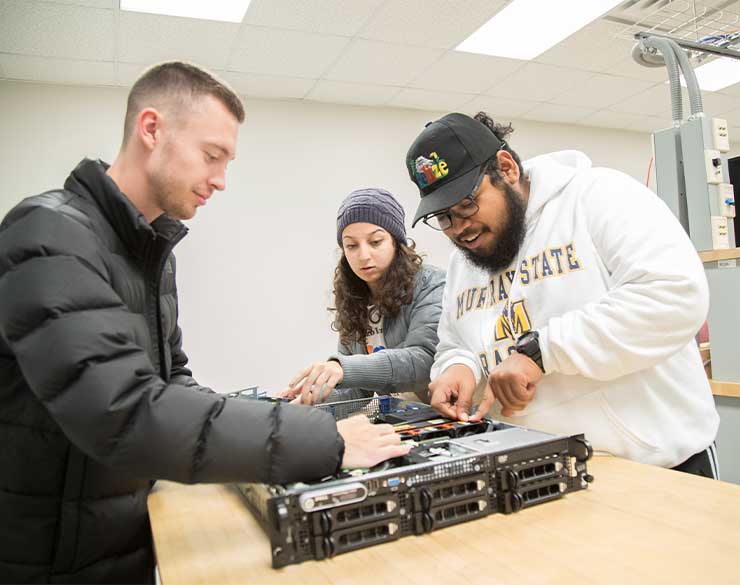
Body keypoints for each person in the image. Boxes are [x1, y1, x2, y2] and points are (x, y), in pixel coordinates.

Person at [0, 62, 409, 584]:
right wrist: (323, 439)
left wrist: (266, 411)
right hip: (48, 559)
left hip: (121, 541)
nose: (220, 180)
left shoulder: (151, 252)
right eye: (211, 156)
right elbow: (124, 412)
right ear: (152, 129)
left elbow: (172, 383)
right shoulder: (50, 235)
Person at [404, 111, 720, 478]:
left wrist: (541, 351)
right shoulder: (466, 260)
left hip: (656, 466)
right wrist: (459, 367)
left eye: (466, 205)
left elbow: (674, 295)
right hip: (544, 474)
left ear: (506, 169)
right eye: (443, 218)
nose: (459, 229)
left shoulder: (600, 196)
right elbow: (455, 342)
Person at [280, 188, 445, 405]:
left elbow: (424, 361)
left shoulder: (431, 284)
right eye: (351, 245)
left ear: (396, 242)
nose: (364, 255)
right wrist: (313, 398)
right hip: (401, 424)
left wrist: (343, 368)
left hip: (448, 417)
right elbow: (358, 390)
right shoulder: (353, 298)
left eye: (375, 242)